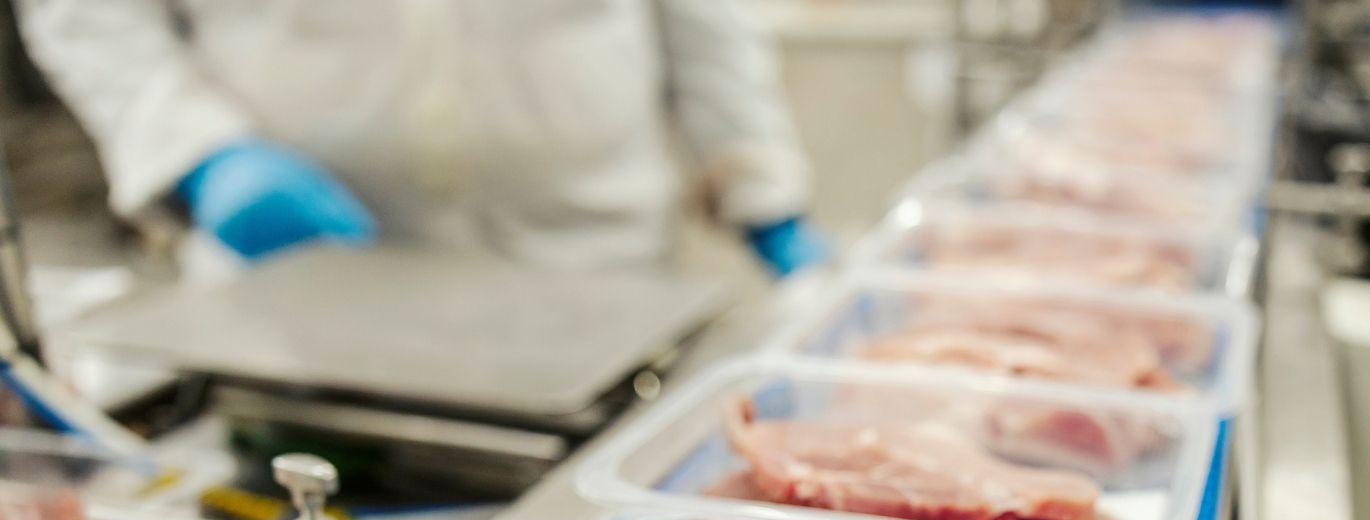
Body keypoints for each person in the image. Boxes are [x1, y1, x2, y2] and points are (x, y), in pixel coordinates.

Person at [15, 0, 827, 276]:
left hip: (594, 275)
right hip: (301, 291)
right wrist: (196, 149)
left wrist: (757, 182)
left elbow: (705, 15)